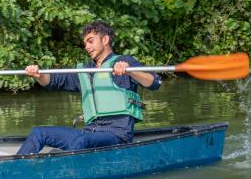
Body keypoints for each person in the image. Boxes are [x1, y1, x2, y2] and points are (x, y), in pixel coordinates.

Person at [16, 21, 161, 154]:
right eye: (85, 43)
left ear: (105, 40)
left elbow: (154, 83)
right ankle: (16, 169)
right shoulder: (86, 70)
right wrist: (37, 74)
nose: (87, 47)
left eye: (91, 41)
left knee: (81, 141)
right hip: (89, 132)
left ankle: (65, 174)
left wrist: (130, 70)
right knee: (39, 132)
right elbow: (53, 80)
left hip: (116, 134)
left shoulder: (125, 62)